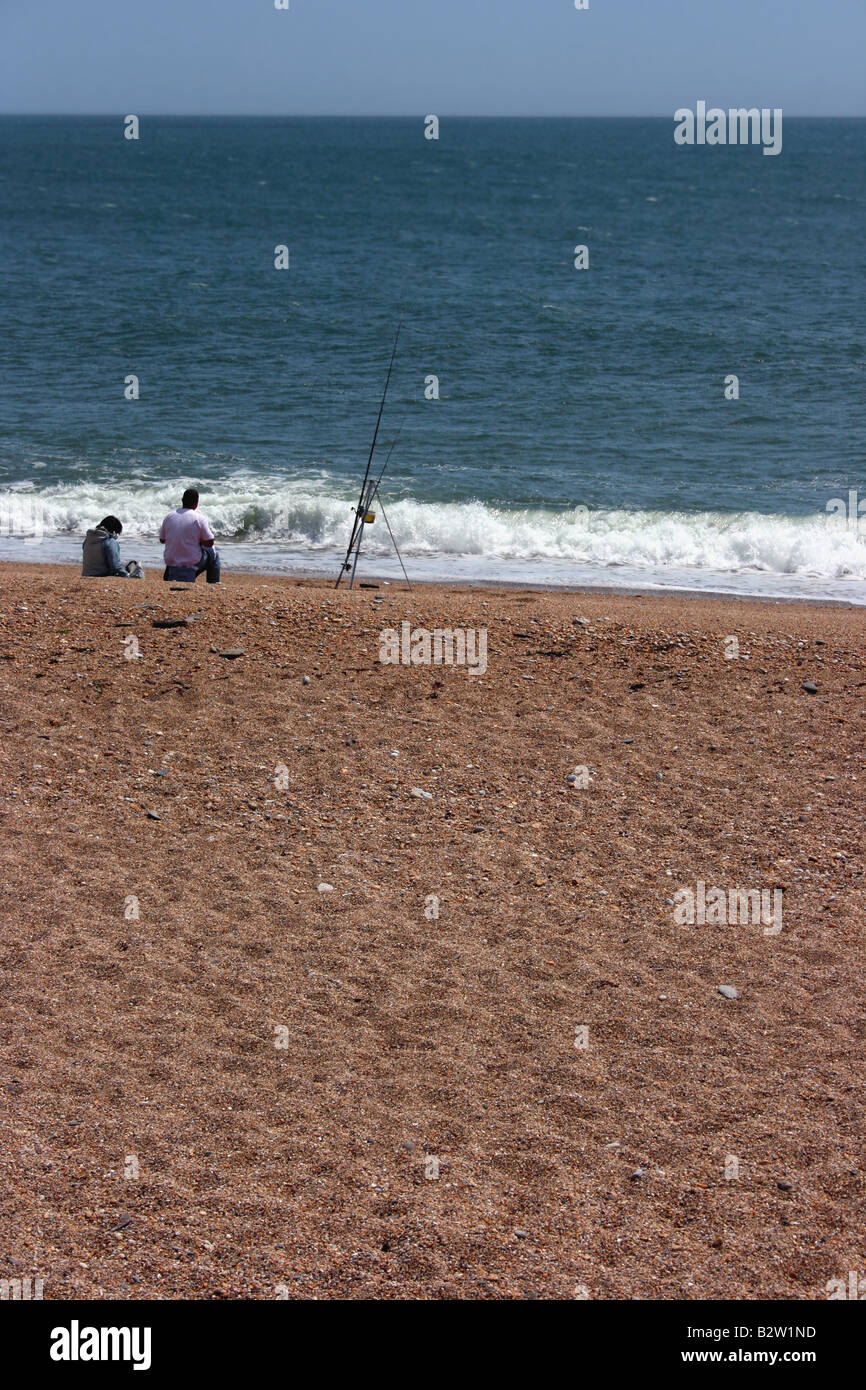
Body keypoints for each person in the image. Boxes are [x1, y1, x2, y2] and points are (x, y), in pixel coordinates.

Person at [159, 488, 221, 584]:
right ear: (196, 503)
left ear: (182, 501)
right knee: (214, 555)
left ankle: (170, 575)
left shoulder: (169, 516)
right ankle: (213, 583)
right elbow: (210, 542)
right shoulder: (199, 518)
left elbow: (162, 540)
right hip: (191, 562)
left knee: (176, 549)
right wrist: (200, 541)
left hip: (171, 561)